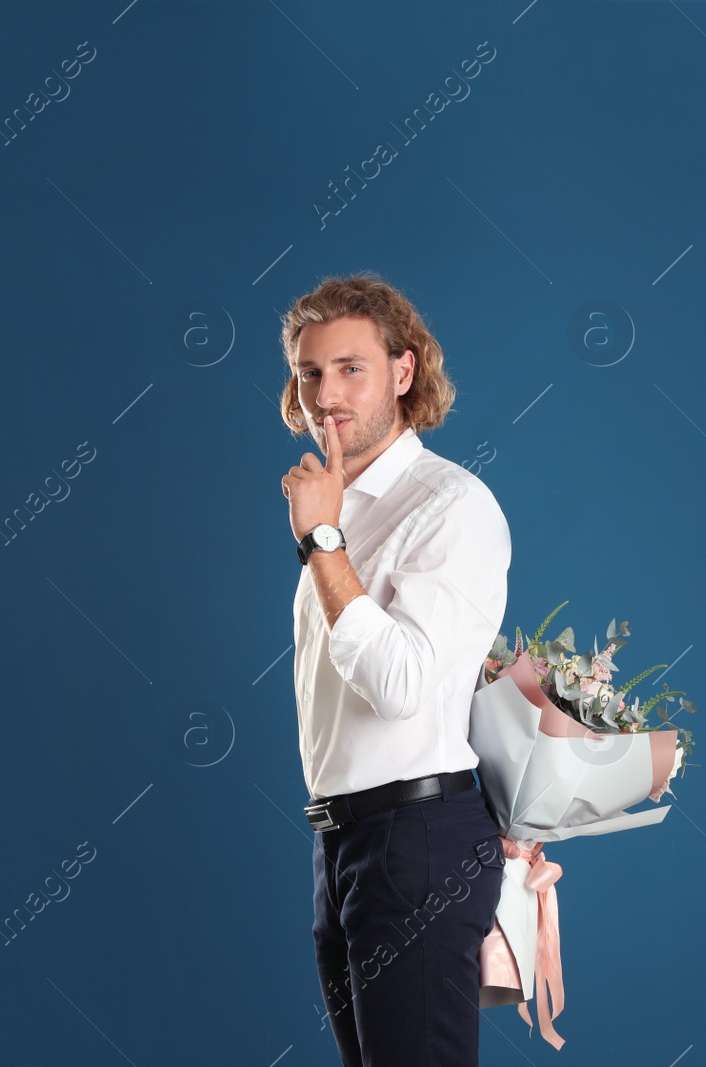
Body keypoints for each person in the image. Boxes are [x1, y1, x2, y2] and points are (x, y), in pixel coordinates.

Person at [278, 272, 512, 1066]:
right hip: (342, 844)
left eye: (351, 368)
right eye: (310, 373)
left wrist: (322, 544)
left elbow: (401, 686)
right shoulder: (341, 507)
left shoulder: (449, 503)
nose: (326, 395)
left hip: (417, 842)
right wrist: (329, 532)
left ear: (403, 373)